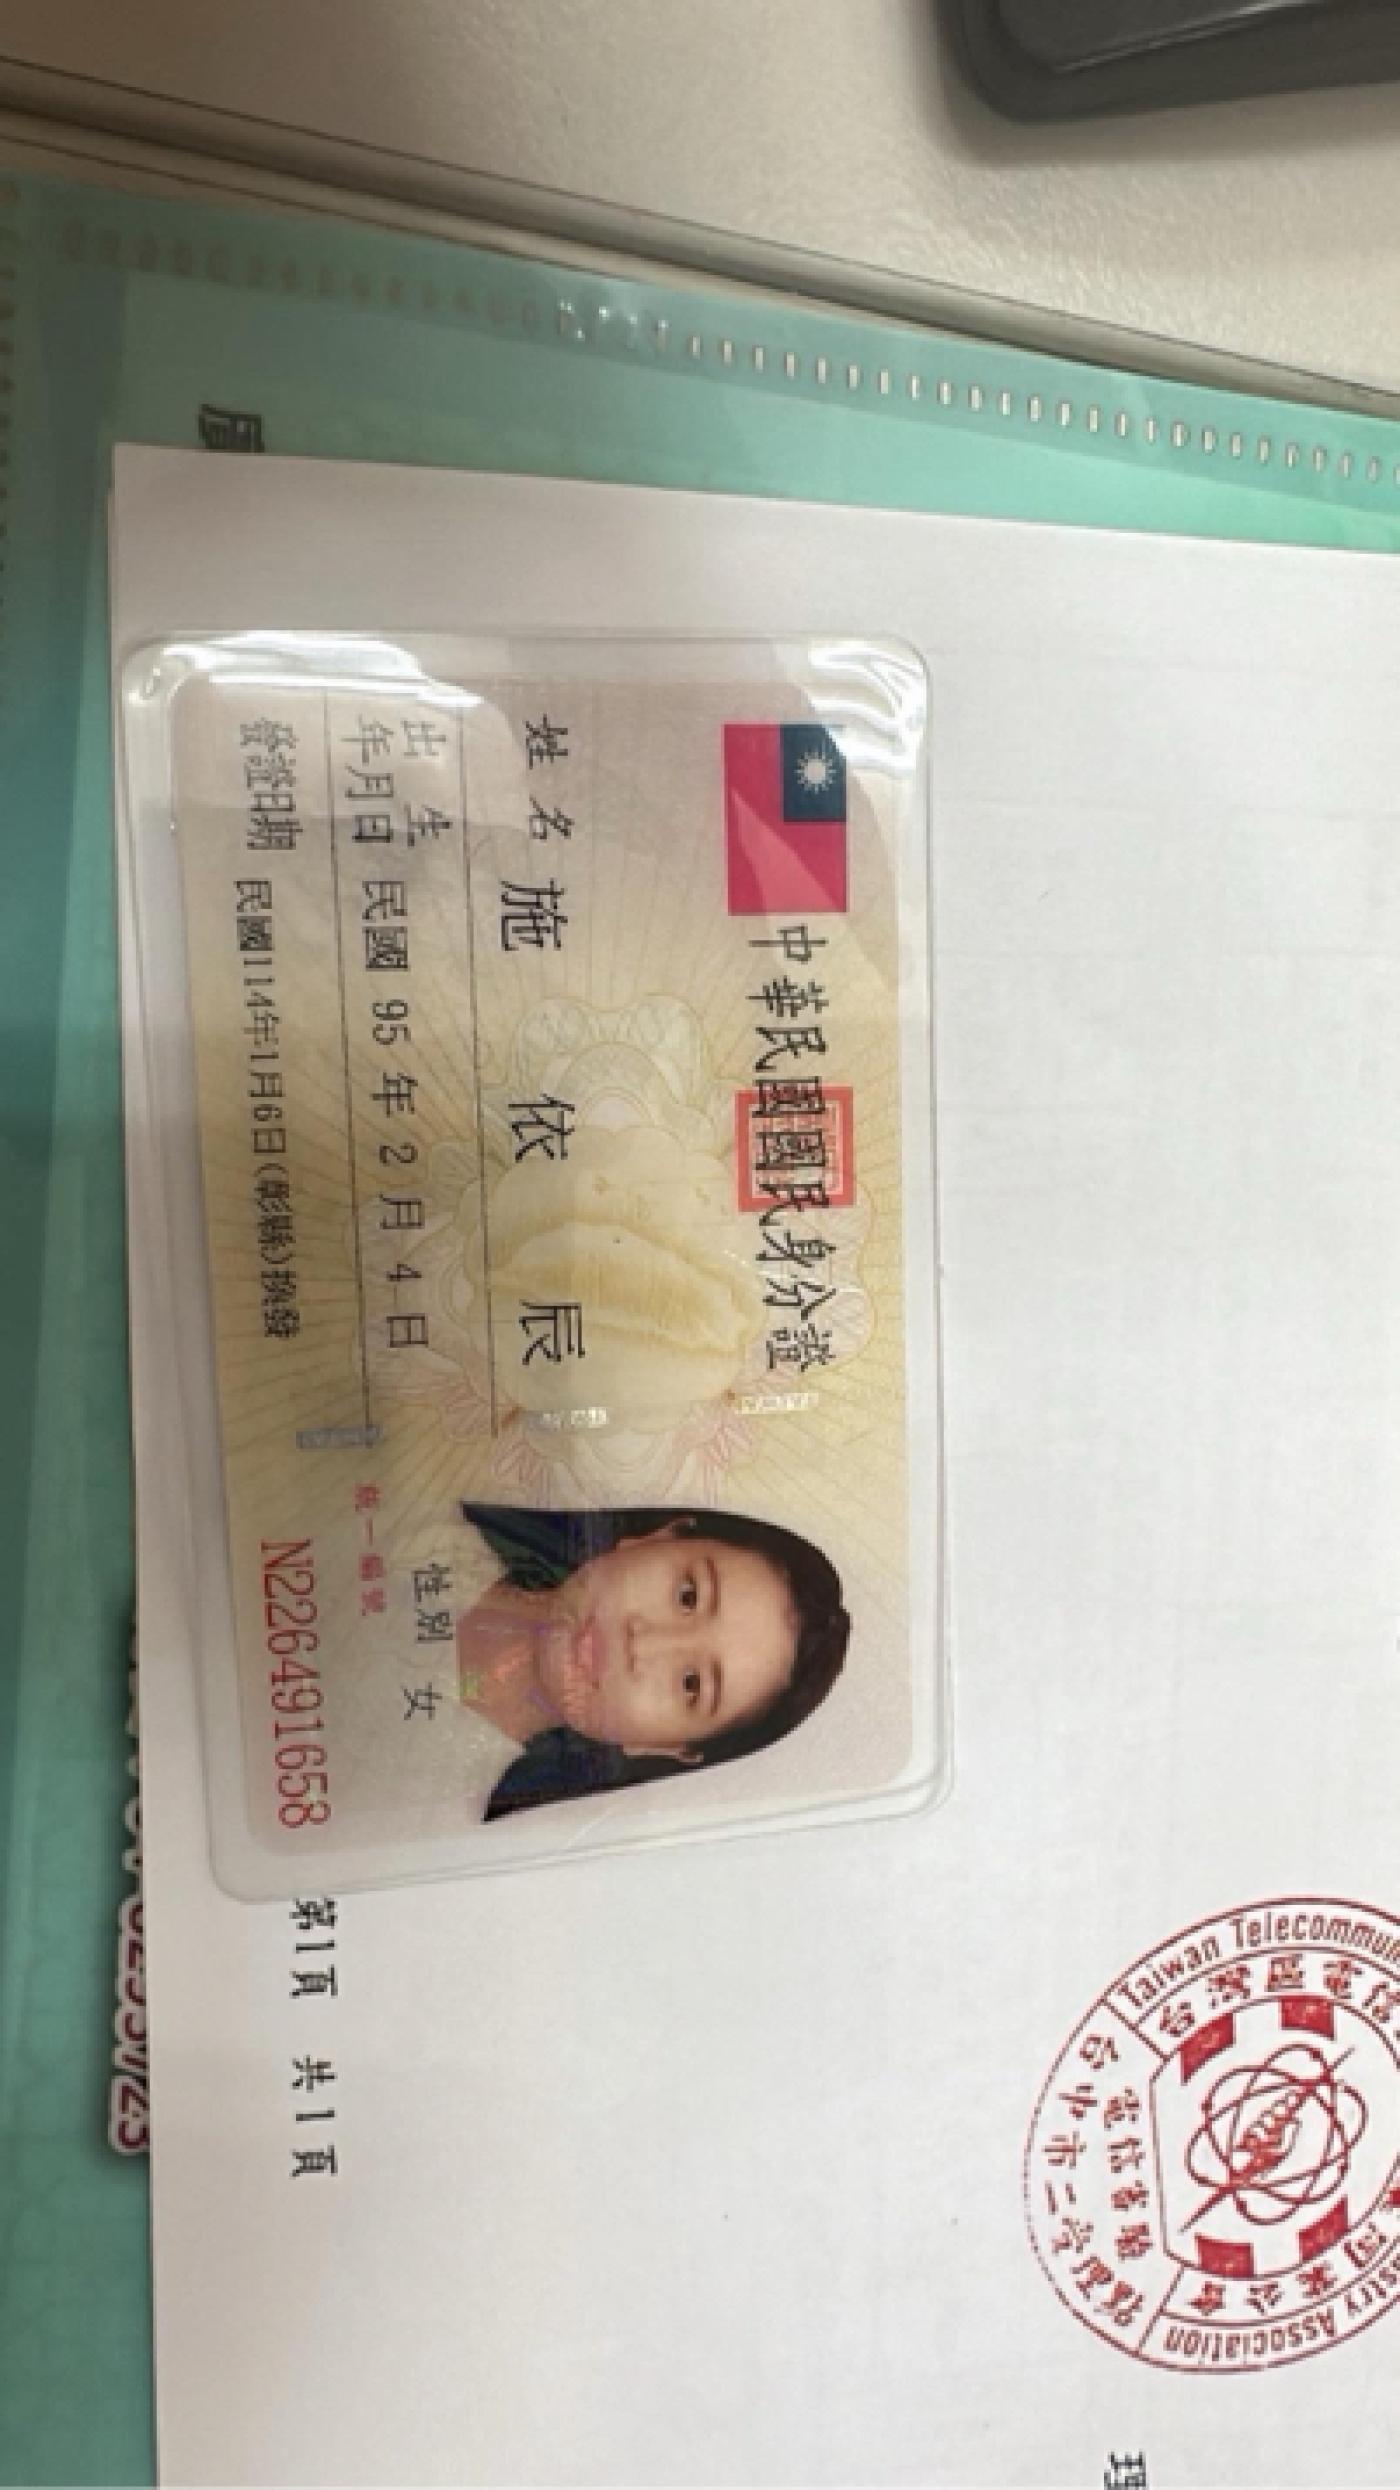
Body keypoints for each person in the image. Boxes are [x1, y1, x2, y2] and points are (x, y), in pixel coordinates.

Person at [449, 1504, 850, 1821]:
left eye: (692, 1684)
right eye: (688, 1596)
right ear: (651, 1539)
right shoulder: (430, 1519)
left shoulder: (443, 1814)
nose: (643, 1642)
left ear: (662, 1748)